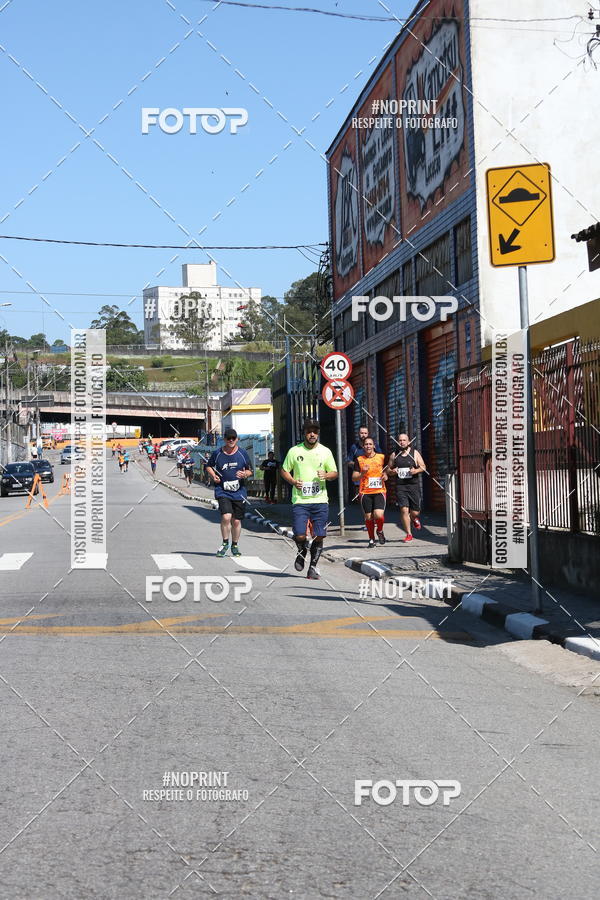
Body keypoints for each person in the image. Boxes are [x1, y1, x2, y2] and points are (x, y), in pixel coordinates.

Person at [281, 419, 337, 580]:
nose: (312, 434)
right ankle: (302, 551)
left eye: (315, 431)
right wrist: (292, 481)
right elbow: (284, 470)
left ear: (318, 433)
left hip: (320, 500)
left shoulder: (325, 451)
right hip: (300, 501)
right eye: (308, 431)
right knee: (299, 534)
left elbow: (334, 473)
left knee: (319, 535)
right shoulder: (294, 451)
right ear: (304, 433)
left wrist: (326, 475)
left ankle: (312, 567)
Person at [205, 428, 253, 558]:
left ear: (237, 439)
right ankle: (225, 542)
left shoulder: (242, 453)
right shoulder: (218, 453)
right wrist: (213, 475)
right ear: (224, 439)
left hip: (239, 492)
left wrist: (244, 474)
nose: (231, 440)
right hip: (223, 491)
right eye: (228, 438)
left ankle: (235, 545)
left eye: (233, 438)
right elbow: (208, 466)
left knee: (236, 521)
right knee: (226, 517)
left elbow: (250, 470)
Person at [388, 433, 426, 543]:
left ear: (408, 442)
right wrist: (392, 471)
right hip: (401, 486)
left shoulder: (415, 453)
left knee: (415, 512)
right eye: (400, 440)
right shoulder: (394, 455)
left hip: (413, 486)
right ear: (397, 442)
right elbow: (388, 470)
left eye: (404, 440)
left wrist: (416, 471)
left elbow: (423, 467)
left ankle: (414, 518)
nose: (402, 442)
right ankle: (409, 534)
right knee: (404, 510)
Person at [353, 437, 388, 548]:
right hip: (365, 492)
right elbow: (354, 477)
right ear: (363, 446)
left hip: (379, 490)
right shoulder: (359, 459)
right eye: (366, 444)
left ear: (374, 446)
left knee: (379, 514)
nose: (368, 446)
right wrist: (362, 473)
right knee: (368, 517)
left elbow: (388, 470)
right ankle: (371, 539)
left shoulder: (381, 457)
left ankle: (380, 530)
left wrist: (386, 475)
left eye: (370, 444)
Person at [347, 425, 382, 500]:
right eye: (362, 433)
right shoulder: (354, 447)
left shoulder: (374, 446)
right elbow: (348, 461)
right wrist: (358, 465)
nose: (363, 435)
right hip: (360, 481)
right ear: (358, 434)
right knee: (364, 503)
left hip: (373, 479)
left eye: (365, 433)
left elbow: (381, 460)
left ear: (368, 434)